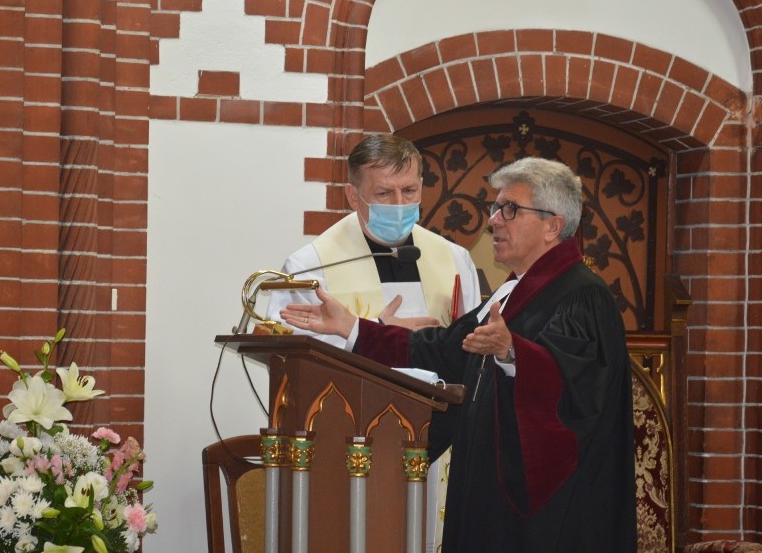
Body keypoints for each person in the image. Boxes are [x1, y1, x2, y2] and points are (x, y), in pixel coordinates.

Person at [279, 157, 637, 552]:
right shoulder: (513, 291)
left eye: (510, 210)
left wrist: (514, 353)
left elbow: (582, 390)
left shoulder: (582, 296)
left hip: (551, 514)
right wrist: (352, 327)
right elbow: (441, 349)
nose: (494, 221)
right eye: (495, 208)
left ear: (553, 225)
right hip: (490, 491)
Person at [265, 133, 481, 347]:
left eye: (409, 190)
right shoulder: (310, 267)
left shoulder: (455, 260)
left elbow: (473, 345)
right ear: (353, 196)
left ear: (421, 187)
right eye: (384, 193)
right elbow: (290, 348)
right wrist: (374, 330)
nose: (398, 204)